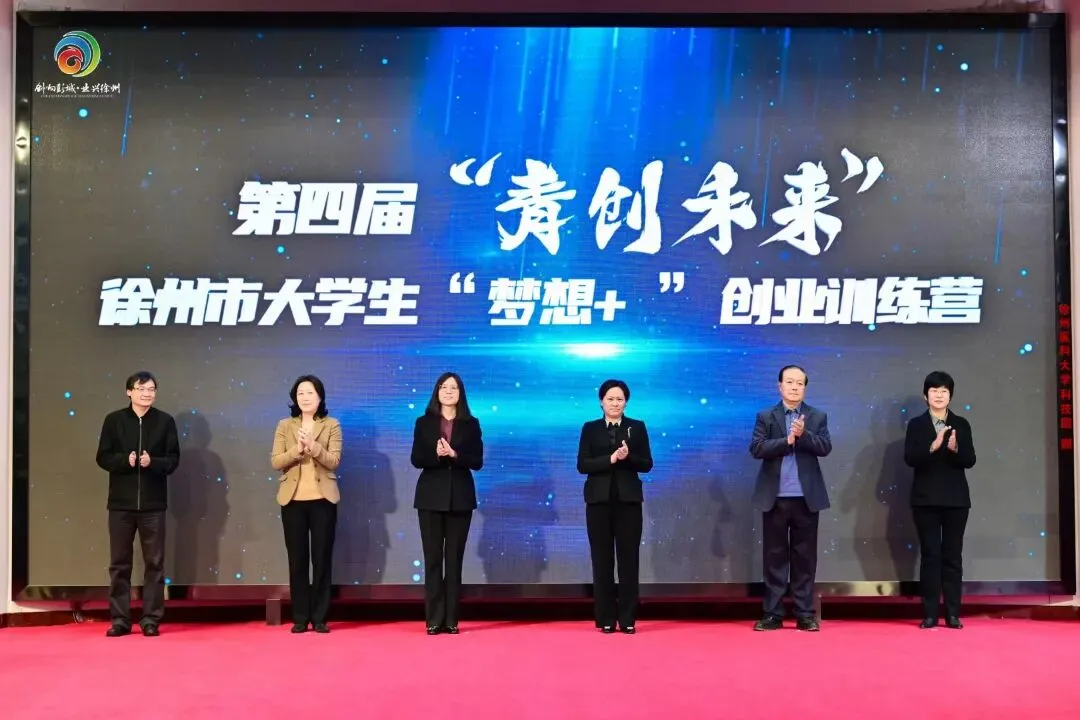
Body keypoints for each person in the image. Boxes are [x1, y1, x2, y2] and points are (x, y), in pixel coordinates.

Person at [95, 371, 180, 637]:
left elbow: (173, 460)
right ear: (129, 392)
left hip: (153, 506)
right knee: (120, 564)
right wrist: (125, 461)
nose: (147, 394)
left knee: (154, 564)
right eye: (141, 389)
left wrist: (152, 462)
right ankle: (120, 620)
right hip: (121, 505)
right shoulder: (114, 420)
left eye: (151, 389)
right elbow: (102, 457)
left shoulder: (165, 422)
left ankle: (150, 619)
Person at [749, 365, 832, 632]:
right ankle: (772, 614)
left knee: (804, 559)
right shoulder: (766, 416)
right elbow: (757, 448)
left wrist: (803, 435)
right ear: (780, 386)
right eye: (790, 382)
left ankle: (805, 614)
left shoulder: (817, 416)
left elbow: (825, 447)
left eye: (800, 383)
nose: (795, 387)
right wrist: (787, 441)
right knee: (774, 558)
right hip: (775, 497)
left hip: (806, 498)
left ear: (805, 388)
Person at [577, 379, 653, 634]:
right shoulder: (590, 428)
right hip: (598, 502)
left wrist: (627, 457)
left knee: (629, 560)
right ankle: (606, 618)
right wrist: (610, 459)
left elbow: (647, 464)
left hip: (628, 502)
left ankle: (628, 618)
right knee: (602, 561)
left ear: (626, 403)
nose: (615, 403)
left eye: (620, 399)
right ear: (601, 402)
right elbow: (582, 465)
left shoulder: (636, 427)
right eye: (610, 399)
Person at [410, 372, 483, 635]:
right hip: (430, 498)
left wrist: (454, 454)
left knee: (454, 561)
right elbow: (416, 458)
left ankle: (451, 619)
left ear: (461, 393)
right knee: (432, 560)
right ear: (437, 391)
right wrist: (437, 454)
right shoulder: (423, 422)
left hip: (460, 499)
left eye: (453, 388)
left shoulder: (471, 423)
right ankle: (433, 619)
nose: (448, 391)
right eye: (444, 387)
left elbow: (477, 461)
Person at [904, 371, 976, 630]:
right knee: (930, 556)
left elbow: (970, 460)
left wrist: (955, 449)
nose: (938, 395)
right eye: (934, 391)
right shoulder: (916, 424)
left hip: (956, 500)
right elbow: (910, 458)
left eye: (943, 391)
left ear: (950, 396)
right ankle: (930, 614)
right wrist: (932, 447)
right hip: (925, 501)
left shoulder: (961, 424)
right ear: (926, 395)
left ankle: (953, 614)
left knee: (953, 557)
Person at [271, 375, 342, 634]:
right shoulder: (284, 425)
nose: (305, 397)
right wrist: (298, 450)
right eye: (300, 393)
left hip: (323, 501)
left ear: (320, 397)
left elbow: (334, 461)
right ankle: (300, 617)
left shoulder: (331, 425)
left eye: (310, 392)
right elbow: (276, 461)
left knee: (322, 559)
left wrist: (313, 446)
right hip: (293, 501)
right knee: (297, 560)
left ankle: (320, 617)